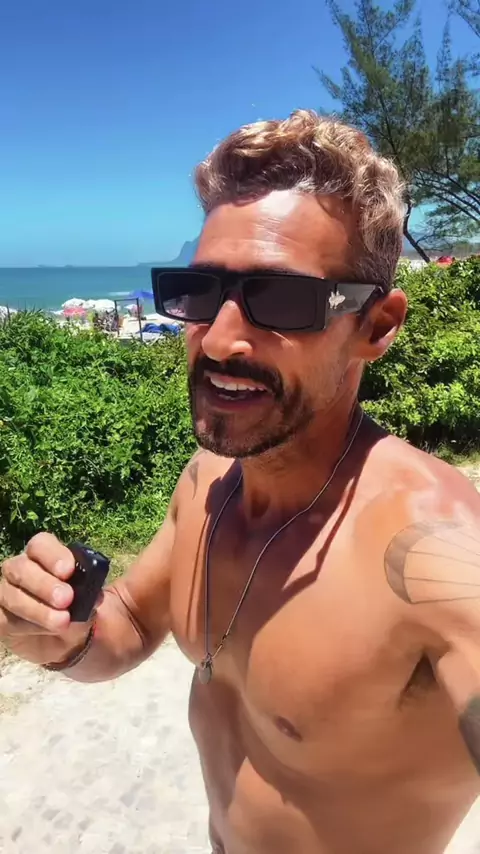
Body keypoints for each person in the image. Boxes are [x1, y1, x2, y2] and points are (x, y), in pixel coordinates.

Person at [1, 109, 480, 854]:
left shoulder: (436, 555)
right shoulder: (209, 482)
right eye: (199, 291)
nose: (220, 339)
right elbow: (129, 625)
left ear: (376, 326)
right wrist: (57, 634)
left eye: (280, 299)